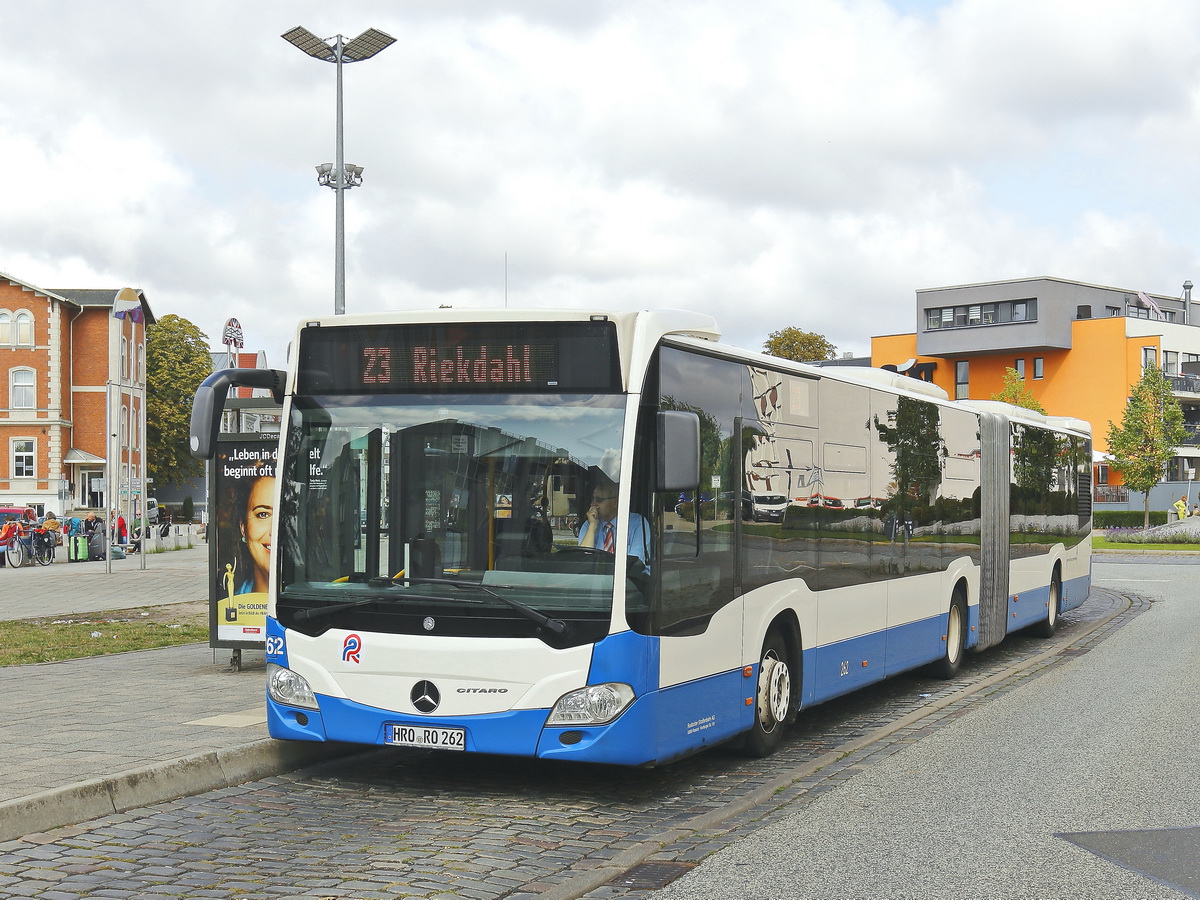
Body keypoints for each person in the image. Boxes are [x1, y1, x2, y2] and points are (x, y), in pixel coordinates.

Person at [577, 480, 650, 566]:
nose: (593, 504)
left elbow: (635, 563)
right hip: (596, 578)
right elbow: (582, 561)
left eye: (599, 499)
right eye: (593, 499)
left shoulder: (638, 522)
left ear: (615, 502)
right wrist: (592, 527)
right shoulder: (589, 524)